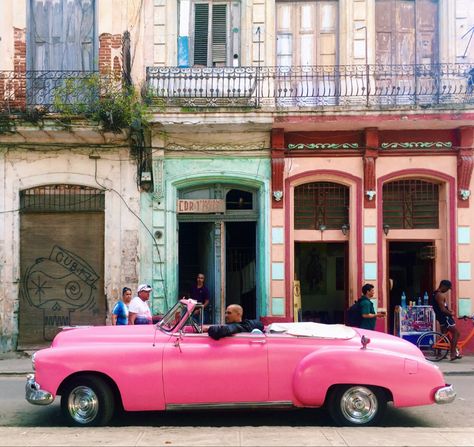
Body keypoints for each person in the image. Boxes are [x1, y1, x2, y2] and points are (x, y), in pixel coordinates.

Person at [432, 280, 461, 361]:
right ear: (443, 286)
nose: (448, 290)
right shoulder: (440, 295)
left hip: (441, 318)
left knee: (444, 336)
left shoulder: (435, 293)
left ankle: (439, 354)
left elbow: (442, 308)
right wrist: (451, 313)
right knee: (456, 333)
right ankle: (453, 354)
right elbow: (442, 309)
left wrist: (449, 310)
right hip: (445, 318)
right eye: (448, 288)